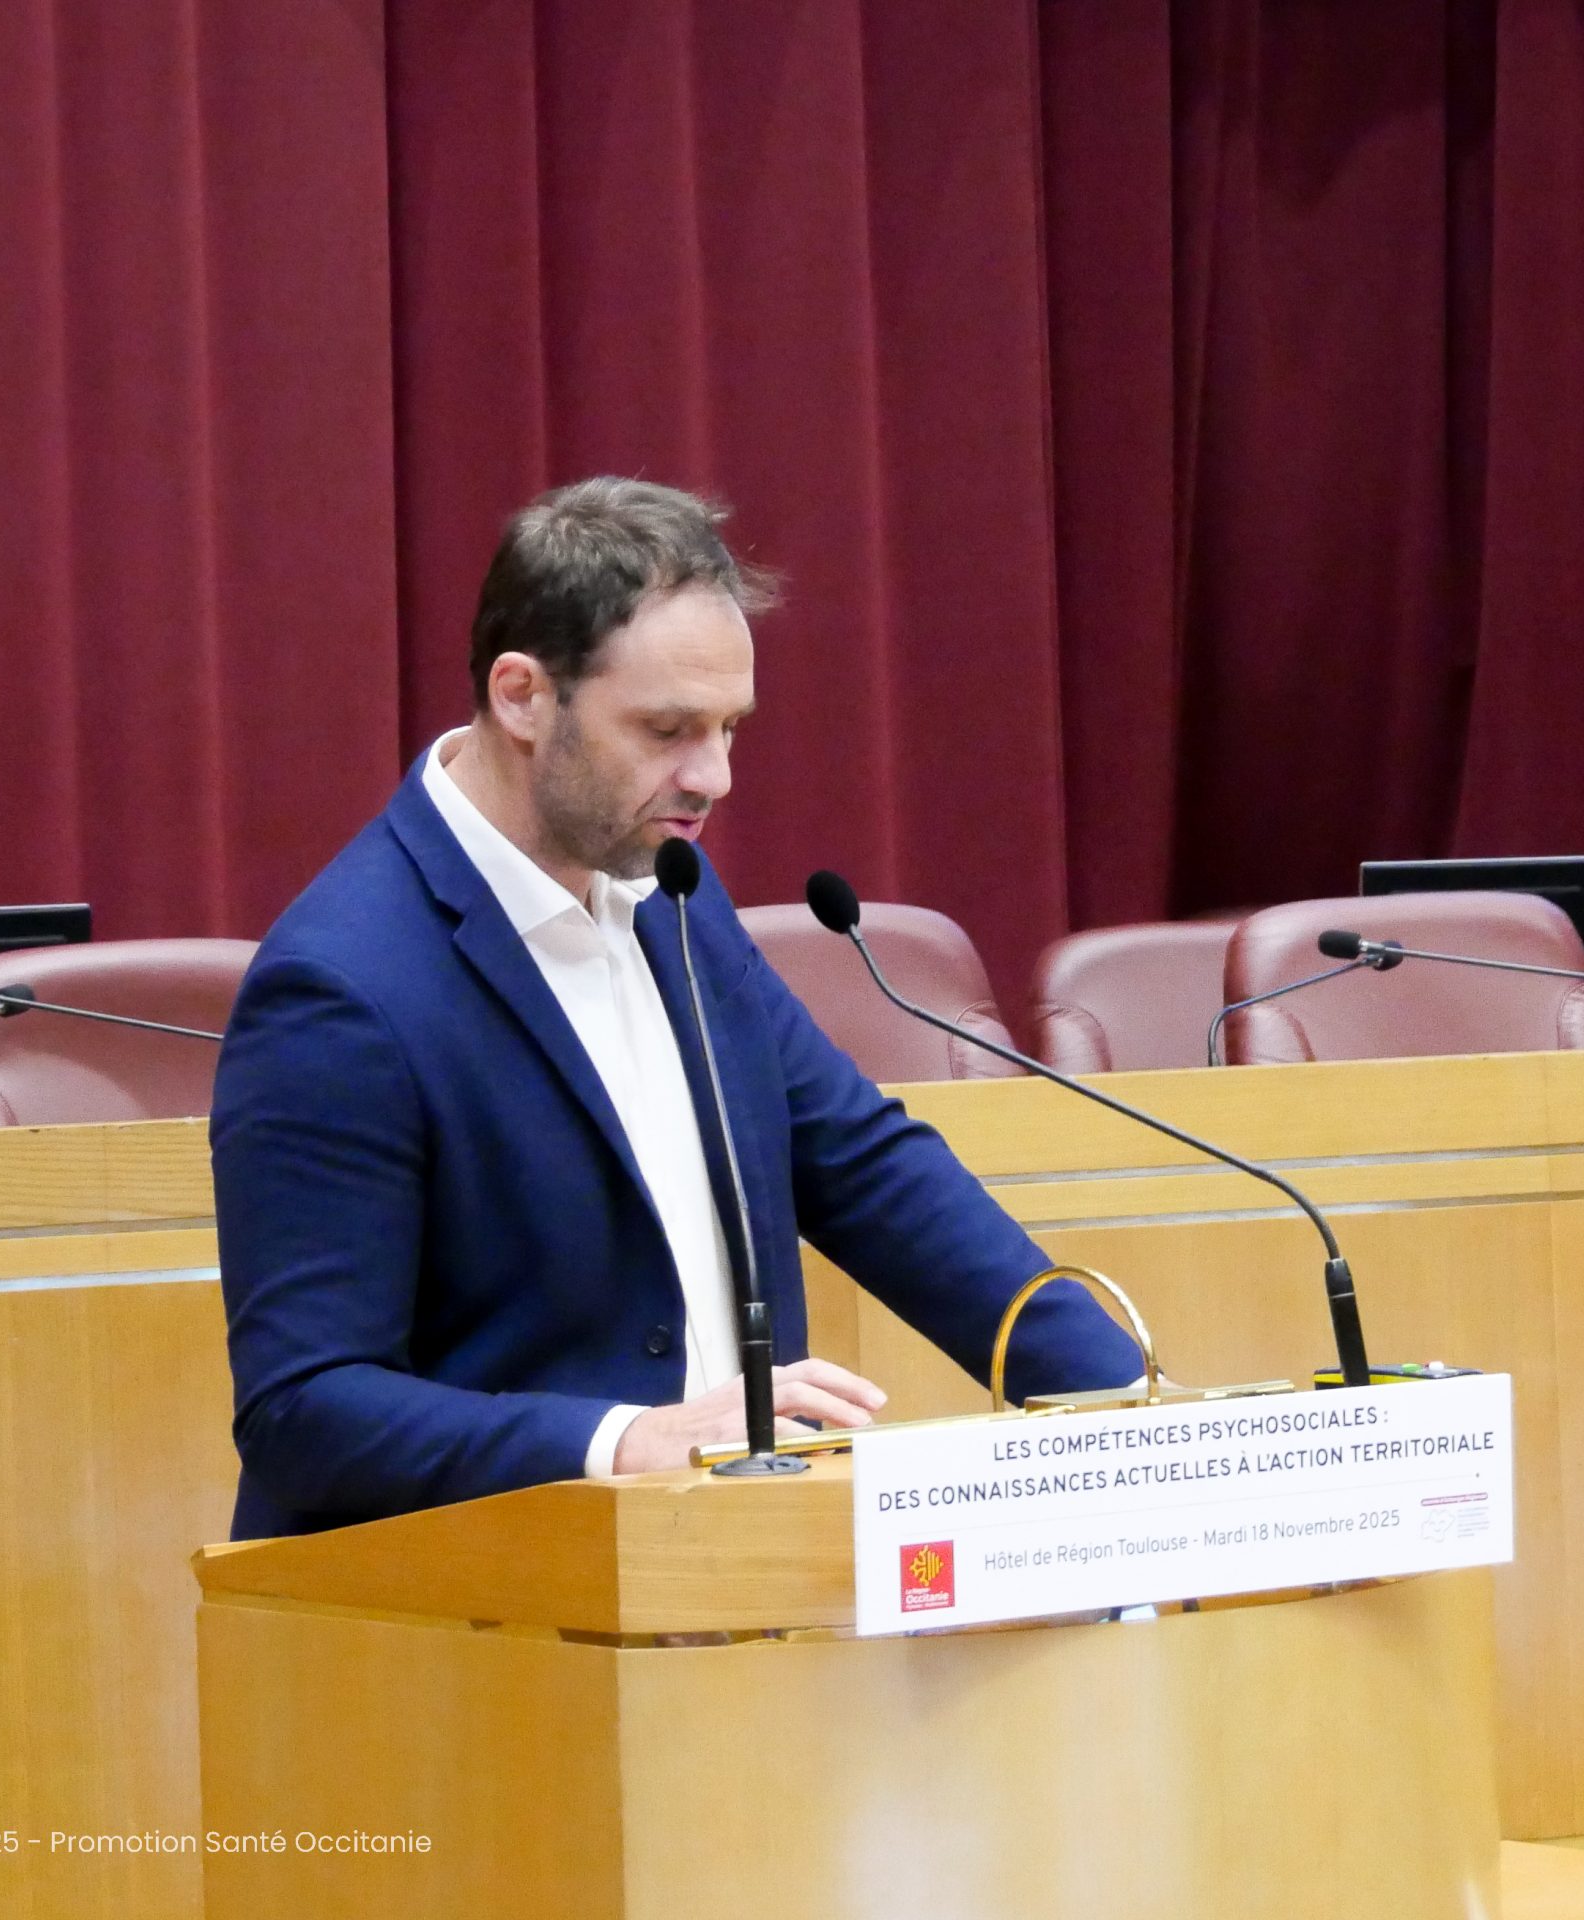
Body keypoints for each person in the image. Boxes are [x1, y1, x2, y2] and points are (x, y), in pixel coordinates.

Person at [212, 478, 1138, 1538]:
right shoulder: (342, 985)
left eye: (730, 728)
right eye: (667, 729)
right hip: (479, 1597)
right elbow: (304, 1409)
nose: (716, 776)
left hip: (716, 1570)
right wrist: (624, 1441)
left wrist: (1134, 1412)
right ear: (522, 695)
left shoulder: (671, 898)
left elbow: (868, 1171)